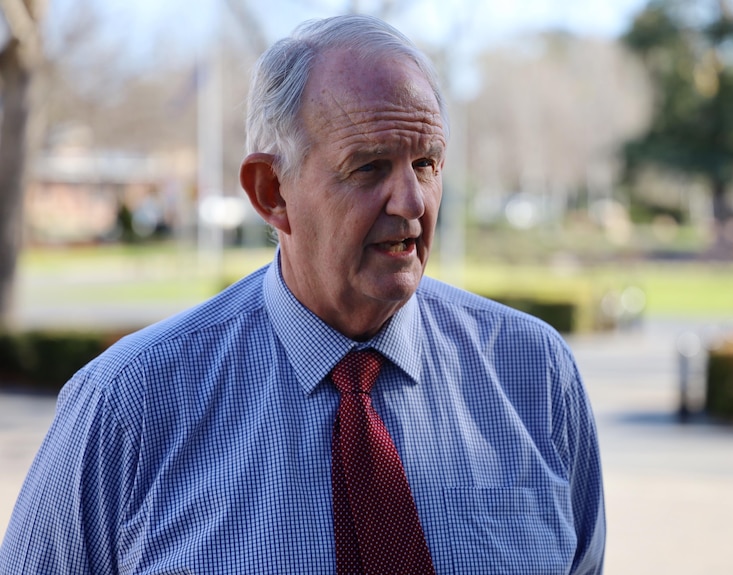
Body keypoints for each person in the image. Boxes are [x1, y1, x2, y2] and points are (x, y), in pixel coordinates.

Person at [0, 14, 605, 574]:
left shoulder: (535, 375)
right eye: (368, 167)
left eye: (426, 163)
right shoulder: (126, 409)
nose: (412, 204)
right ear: (271, 191)